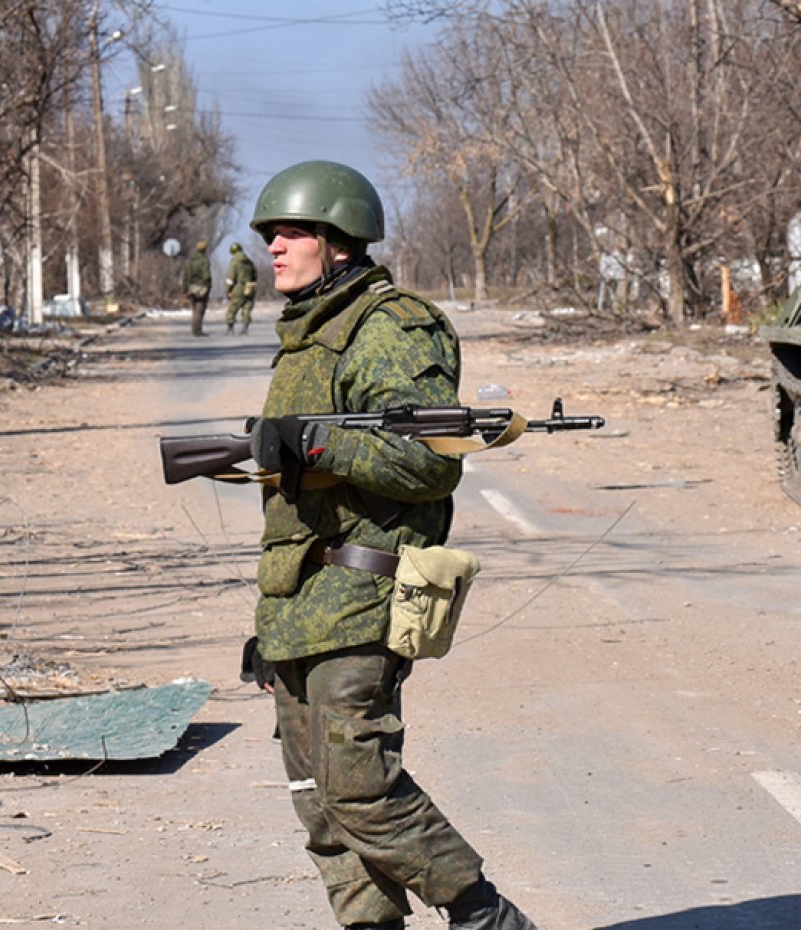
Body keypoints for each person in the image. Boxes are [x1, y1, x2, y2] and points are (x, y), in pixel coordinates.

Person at [243, 160, 539, 930]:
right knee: (318, 804)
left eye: (292, 232)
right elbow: (294, 500)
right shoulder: (309, 332)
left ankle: (485, 916)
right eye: (270, 233)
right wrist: (269, 629)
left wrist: (315, 448)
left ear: (338, 242)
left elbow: (427, 461)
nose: (274, 246)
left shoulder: (389, 326)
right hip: (301, 601)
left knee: (360, 789)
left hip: (364, 591)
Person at [181, 240, 212, 336]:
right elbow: (206, 275)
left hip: (191, 287)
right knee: (200, 309)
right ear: (205, 250)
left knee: (194, 309)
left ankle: (195, 329)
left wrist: (185, 289)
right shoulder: (204, 261)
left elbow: (185, 276)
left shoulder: (189, 261)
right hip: (202, 287)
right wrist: (208, 285)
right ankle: (197, 330)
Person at [224, 242, 256, 335]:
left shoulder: (234, 261)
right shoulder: (249, 261)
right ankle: (245, 328)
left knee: (233, 308)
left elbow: (231, 277)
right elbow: (255, 275)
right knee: (247, 307)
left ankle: (230, 328)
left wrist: (228, 289)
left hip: (239, 286)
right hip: (250, 286)